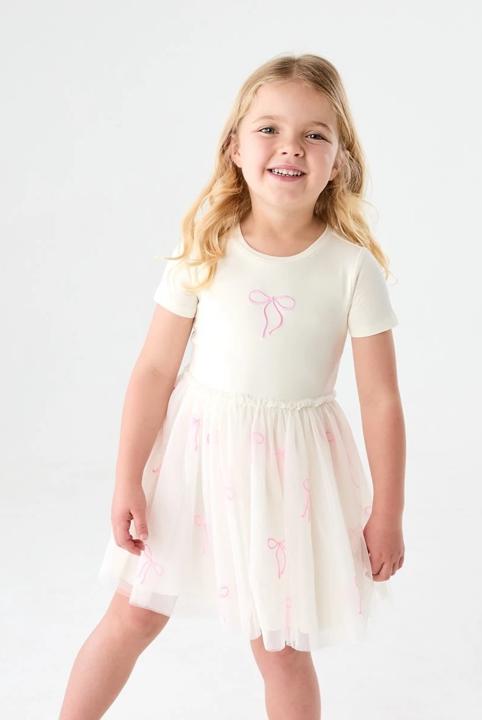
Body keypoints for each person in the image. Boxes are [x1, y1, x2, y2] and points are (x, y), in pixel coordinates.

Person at [59, 52, 406, 720]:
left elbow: (381, 400)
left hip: (289, 483)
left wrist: (386, 510)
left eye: (314, 134)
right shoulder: (206, 247)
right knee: (132, 616)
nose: (290, 147)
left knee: (281, 650)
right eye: (269, 129)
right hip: (195, 465)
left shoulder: (351, 269)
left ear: (340, 161)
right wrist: (128, 478)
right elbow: (154, 371)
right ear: (235, 149)